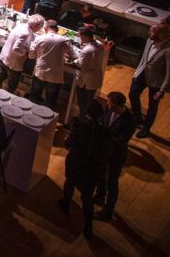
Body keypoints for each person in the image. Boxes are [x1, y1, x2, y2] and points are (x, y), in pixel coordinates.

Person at [58, 100, 109, 239]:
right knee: (87, 197)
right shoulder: (105, 133)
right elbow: (106, 152)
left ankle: (66, 204)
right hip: (92, 168)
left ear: (87, 114)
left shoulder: (78, 126)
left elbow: (68, 143)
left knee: (69, 182)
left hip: (76, 162)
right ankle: (88, 226)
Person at [128, 21, 170, 139]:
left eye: (152, 31)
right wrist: (137, 72)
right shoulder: (149, 41)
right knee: (133, 94)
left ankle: (146, 128)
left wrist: (162, 90)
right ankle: (138, 119)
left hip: (156, 82)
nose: (149, 32)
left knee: (152, 106)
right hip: (142, 74)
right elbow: (144, 58)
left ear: (161, 34)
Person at [96, 91, 135, 221]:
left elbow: (121, 141)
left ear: (118, 105)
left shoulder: (130, 121)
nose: (108, 106)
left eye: (110, 104)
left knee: (112, 182)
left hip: (116, 155)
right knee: (101, 174)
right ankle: (99, 196)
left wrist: (104, 135)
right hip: (104, 150)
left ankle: (108, 212)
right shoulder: (109, 108)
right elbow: (103, 120)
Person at [28, 20, 75, 110]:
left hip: (40, 72)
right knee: (50, 102)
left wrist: (38, 55)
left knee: (34, 98)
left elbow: (31, 55)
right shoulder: (64, 40)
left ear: (45, 29)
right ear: (57, 29)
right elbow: (72, 55)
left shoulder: (39, 38)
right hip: (55, 76)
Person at [0, 14, 42, 93]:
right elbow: (16, 48)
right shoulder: (26, 33)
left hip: (5, 55)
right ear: (36, 25)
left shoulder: (21, 25)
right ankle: (7, 97)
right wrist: (26, 54)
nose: (40, 29)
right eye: (40, 26)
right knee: (12, 84)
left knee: (0, 76)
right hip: (13, 62)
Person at [73, 26, 106, 118]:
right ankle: (86, 118)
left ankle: (82, 119)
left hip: (85, 81)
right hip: (95, 78)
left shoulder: (87, 50)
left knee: (82, 102)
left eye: (79, 36)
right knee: (89, 101)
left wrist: (75, 60)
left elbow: (80, 64)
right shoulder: (99, 44)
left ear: (84, 36)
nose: (79, 37)